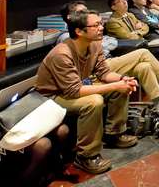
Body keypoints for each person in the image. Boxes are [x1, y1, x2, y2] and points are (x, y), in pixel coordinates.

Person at [36, 10, 138, 174]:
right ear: (78, 31)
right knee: (94, 101)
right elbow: (74, 91)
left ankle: (114, 134)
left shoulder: (94, 44)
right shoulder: (61, 54)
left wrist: (123, 79)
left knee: (119, 88)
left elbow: (104, 73)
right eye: (96, 25)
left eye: (101, 24)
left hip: (73, 89)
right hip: (51, 98)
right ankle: (85, 156)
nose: (101, 28)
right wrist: (114, 86)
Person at [57, 1, 159, 96]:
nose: (86, 15)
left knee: (144, 66)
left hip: (106, 61)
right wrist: (102, 42)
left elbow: (111, 41)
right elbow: (105, 44)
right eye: (81, 13)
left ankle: (158, 106)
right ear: (69, 18)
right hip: (94, 70)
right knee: (143, 53)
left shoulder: (91, 31)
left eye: (86, 12)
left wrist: (101, 42)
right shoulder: (67, 37)